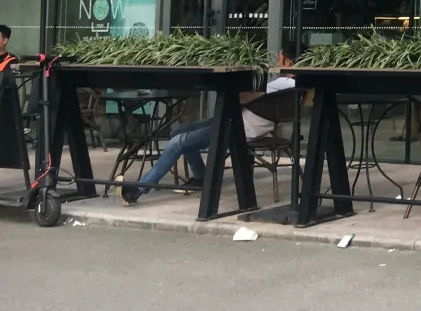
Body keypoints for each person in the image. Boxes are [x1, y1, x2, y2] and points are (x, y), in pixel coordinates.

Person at [120, 49, 295, 204]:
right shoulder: (292, 85)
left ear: (289, 63)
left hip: (241, 127)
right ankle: (201, 177)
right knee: (178, 131)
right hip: (239, 119)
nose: (276, 64)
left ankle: (138, 189)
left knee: (176, 142)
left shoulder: (284, 83)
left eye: (280, 59)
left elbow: (241, 98)